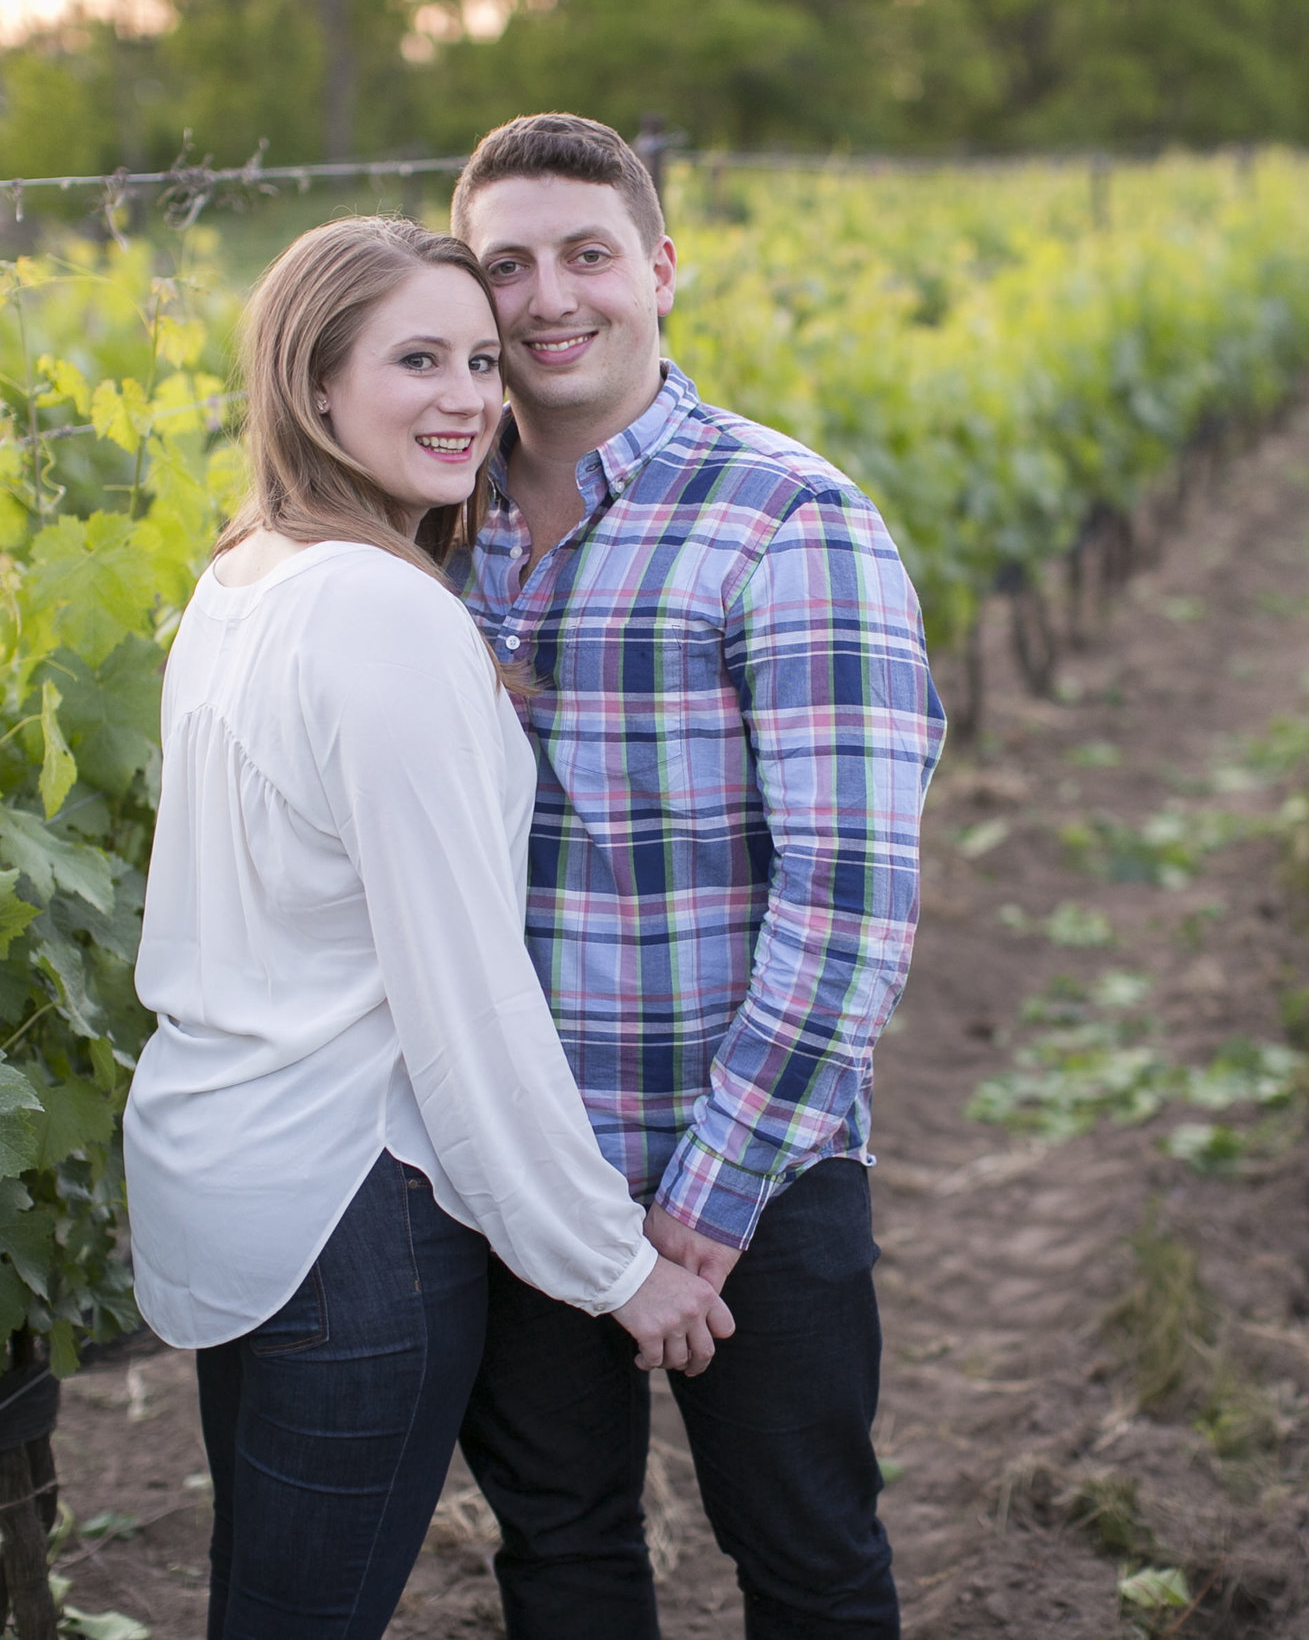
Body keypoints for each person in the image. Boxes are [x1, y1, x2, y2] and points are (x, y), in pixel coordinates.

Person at [122, 215, 734, 1640]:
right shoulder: (383, 616)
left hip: (242, 1165)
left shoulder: (245, 573)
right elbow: (462, 1004)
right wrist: (610, 1263)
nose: (469, 396)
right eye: (416, 359)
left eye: (477, 357)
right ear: (313, 384)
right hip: (358, 1207)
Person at [449, 115, 949, 1640]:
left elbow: (850, 899)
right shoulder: (427, 530)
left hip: (752, 1172)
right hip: (517, 1170)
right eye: (507, 266)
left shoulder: (789, 520)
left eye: (588, 256)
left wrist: (710, 1196)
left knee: (803, 1555)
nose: (550, 299)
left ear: (660, 270)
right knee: (561, 1552)